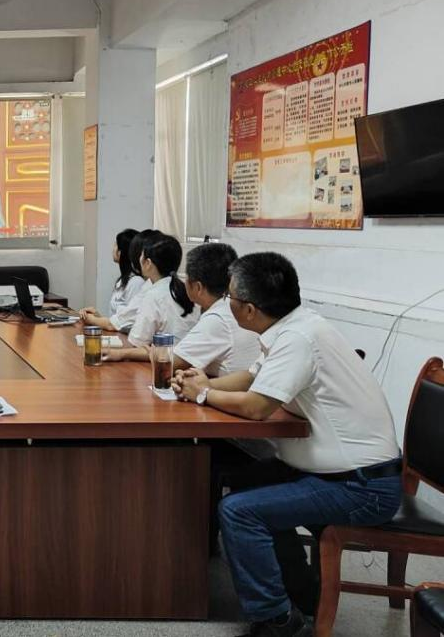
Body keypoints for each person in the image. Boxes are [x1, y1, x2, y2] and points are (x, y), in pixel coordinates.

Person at [171, 252, 402, 637]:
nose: (226, 302)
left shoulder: (297, 339)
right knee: (247, 483)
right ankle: (304, 594)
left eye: (229, 296)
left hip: (361, 486)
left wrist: (203, 395)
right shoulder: (296, 326)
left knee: (240, 511)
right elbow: (251, 377)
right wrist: (202, 383)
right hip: (337, 473)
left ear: (248, 309)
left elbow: (257, 406)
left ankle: (276, 619)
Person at [101, 233, 199, 362]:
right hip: (185, 362)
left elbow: (137, 343)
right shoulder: (182, 288)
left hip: (164, 365)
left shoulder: (154, 295)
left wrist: (120, 353)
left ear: (148, 263)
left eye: (141, 255)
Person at [172, 243, 261, 376]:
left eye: (186, 278)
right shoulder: (239, 305)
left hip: (229, 388)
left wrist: (149, 352)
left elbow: (171, 362)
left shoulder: (218, 317)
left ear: (198, 287)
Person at [81, 228, 159, 332]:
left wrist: (92, 319)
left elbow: (129, 323)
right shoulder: (123, 280)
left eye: (115, 245)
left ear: (121, 252)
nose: (113, 248)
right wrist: (97, 317)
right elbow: (119, 320)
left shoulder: (136, 282)